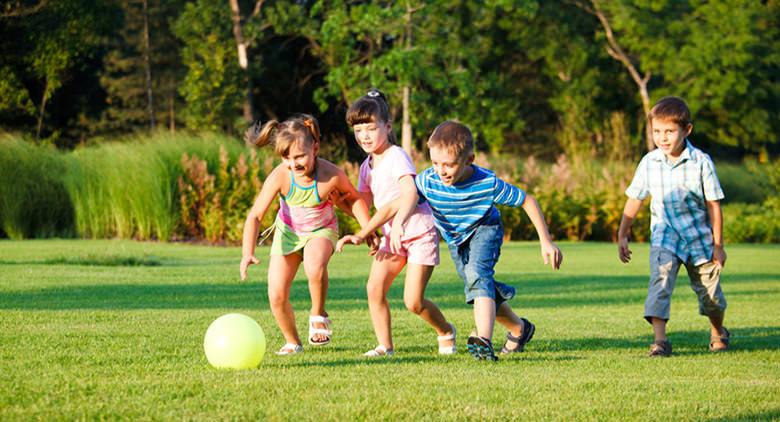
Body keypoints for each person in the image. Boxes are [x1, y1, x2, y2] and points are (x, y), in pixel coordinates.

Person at [396, 120, 562, 361]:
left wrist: (546, 241)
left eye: (449, 165)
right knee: (479, 287)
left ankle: (483, 339)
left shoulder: (487, 182)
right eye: (434, 163)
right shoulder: (428, 179)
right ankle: (519, 328)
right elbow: (408, 197)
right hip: (456, 239)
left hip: (485, 229)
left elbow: (528, 201)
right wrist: (396, 221)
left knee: (477, 275)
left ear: (469, 160)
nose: (441, 171)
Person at [239, 114, 375, 355]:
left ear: (315, 147)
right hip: (288, 234)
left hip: (321, 230)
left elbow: (354, 201)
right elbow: (255, 216)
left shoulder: (330, 175)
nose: (294, 164)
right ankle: (293, 341)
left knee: (314, 266)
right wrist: (247, 252)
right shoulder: (281, 176)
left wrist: (368, 230)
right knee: (276, 295)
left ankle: (318, 313)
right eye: (287, 158)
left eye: (300, 156)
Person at [336, 89, 456, 357]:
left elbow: (410, 192)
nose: (364, 136)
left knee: (413, 301)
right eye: (358, 130)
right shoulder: (366, 166)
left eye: (370, 128)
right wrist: (339, 205)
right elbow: (362, 205)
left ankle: (445, 331)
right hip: (392, 235)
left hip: (417, 231)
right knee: (374, 287)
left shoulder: (397, 156)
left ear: (387, 127)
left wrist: (399, 222)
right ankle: (384, 346)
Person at [618, 96, 729, 357]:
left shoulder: (701, 162)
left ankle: (718, 330)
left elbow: (714, 206)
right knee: (660, 281)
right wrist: (623, 234)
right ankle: (660, 341)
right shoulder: (649, 162)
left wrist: (718, 245)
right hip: (664, 235)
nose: (663, 138)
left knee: (711, 297)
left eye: (669, 131)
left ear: (687, 130)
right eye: (657, 131)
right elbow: (635, 199)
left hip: (699, 238)